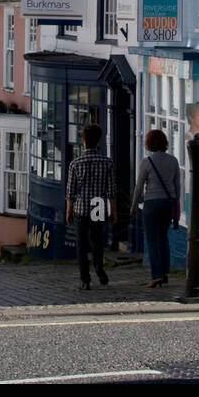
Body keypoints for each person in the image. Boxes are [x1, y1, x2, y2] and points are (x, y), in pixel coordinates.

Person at [65, 124, 115, 290]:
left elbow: (71, 192)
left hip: (81, 206)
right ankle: (99, 268)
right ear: (98, 141)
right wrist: (113, 211)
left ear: (84, 141)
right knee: (97, 241)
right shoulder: (106, 162)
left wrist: (68, 211)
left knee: (82, 244)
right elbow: (111, 190)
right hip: (98, 205)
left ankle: (85, 279)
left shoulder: (76, 163)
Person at [130, 129, 180, 288]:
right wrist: (175, 203)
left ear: (150, 143)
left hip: (151, 203)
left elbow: (138, 187)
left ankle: (156, 275)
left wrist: (133, 205)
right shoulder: (173, 161)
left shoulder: (147, 162)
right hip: (167, 202)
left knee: (151, 240)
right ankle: (165, 273)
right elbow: (177, 185)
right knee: (163, 238)